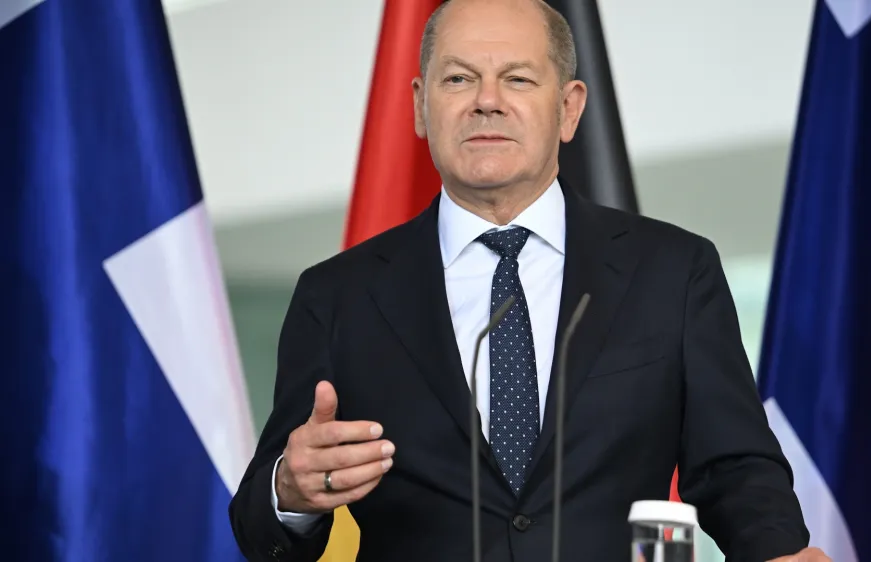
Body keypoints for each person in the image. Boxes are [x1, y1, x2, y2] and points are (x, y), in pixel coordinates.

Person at [229, 1, 831, 561]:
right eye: (458, 79)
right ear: (419, 105)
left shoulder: (672, 271)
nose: (486, 101)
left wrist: (778, 550)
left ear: (569, 108)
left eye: (517, 79)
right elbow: (259, 526)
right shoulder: (337, 296)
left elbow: (735, 469)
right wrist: (290, 491)